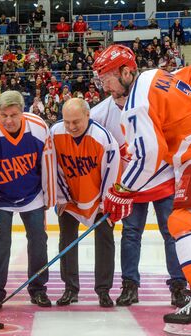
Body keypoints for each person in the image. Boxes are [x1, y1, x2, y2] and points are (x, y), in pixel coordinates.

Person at [94, 45, 191, 336]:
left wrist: (120, 191)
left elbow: (148, 156)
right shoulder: (157, 75)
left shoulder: (136, 104)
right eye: (102, 81)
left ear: (127, 71)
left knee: (181, 222)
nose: (106, 87)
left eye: (108, 79)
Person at [0, 90, 55, 312]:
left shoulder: (38, 127)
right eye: (3, 115)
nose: (8, 120)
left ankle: (38, 289)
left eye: (14, 115)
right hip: (0, 197)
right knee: (0, 243)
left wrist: (50, 197)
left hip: (32, 194)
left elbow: (47, 163)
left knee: (38, 240)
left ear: (23, 112)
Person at [52, 98, 119, 308]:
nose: (71, 127)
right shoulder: (54, 133)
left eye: (76, 122)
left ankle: (103, 290)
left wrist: (105, 202)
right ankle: (70, 288)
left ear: (88, 116)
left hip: (97, 197)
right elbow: (52, 166)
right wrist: (62, 197)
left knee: (105, 240)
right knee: (66, 240)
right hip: (69, 198)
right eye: (67, 122)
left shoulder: (104, 139)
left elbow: (112, 172)